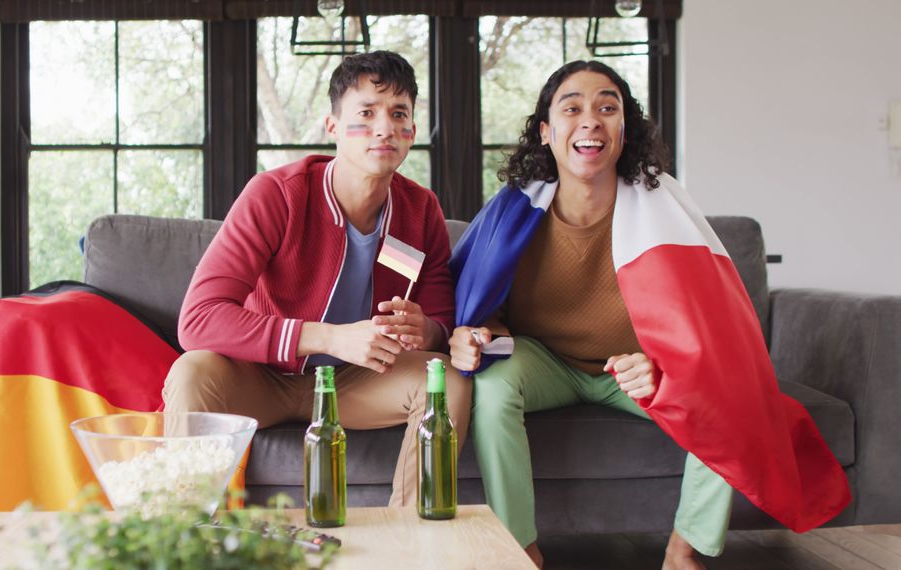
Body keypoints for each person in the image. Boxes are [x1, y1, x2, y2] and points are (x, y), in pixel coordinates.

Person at [448, 60, 849, 569]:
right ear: (547, 132)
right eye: (572, 108)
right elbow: (486, 310)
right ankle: (521, 549)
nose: (591, 119)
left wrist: (661, 361)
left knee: (727, 392)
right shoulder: (514, 210)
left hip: (635, 370)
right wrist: (476, 335)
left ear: (624, 130)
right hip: (545, 362)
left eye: (607, 108)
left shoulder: (665, 210)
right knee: (494, 382)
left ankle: (685, 551)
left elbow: (709, 332)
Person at [163, 50, 471, 508]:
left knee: (446, 382)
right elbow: (199, 321)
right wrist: (330, 337)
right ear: (332, 127)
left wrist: (423, 328)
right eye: (365, 113)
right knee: (191, 371)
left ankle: (411, 535)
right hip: (259, 377)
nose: (384, 127)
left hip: (355, 383)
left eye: (399, 114)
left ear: (411, 132)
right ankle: (183, 534)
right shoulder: (276, 194)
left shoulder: (421, 208)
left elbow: (441, 319)